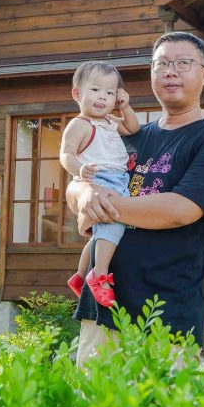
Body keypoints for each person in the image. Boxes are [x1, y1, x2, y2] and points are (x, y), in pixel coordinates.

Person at [67, 31, 204, 366]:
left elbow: (179, 209)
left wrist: (104, 205)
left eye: (183, 63)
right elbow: (78, 184)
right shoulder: (127, 137)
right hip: (102, 310)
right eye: (161, 64)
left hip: (165, 317)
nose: (170, 71)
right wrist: (85, 192)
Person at [60, 61, 141, 308]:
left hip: (119, 179)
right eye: (95, 90)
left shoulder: (110, 121)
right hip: (98, 178)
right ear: (77, 93)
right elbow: (66, 155)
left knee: (100, 235)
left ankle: (81, 274)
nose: (102, 97)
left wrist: (125, 107)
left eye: (109, 93)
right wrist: (80, 170)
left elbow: (132, 128)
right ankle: (99, 274)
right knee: (113, 226)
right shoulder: (80, 124)